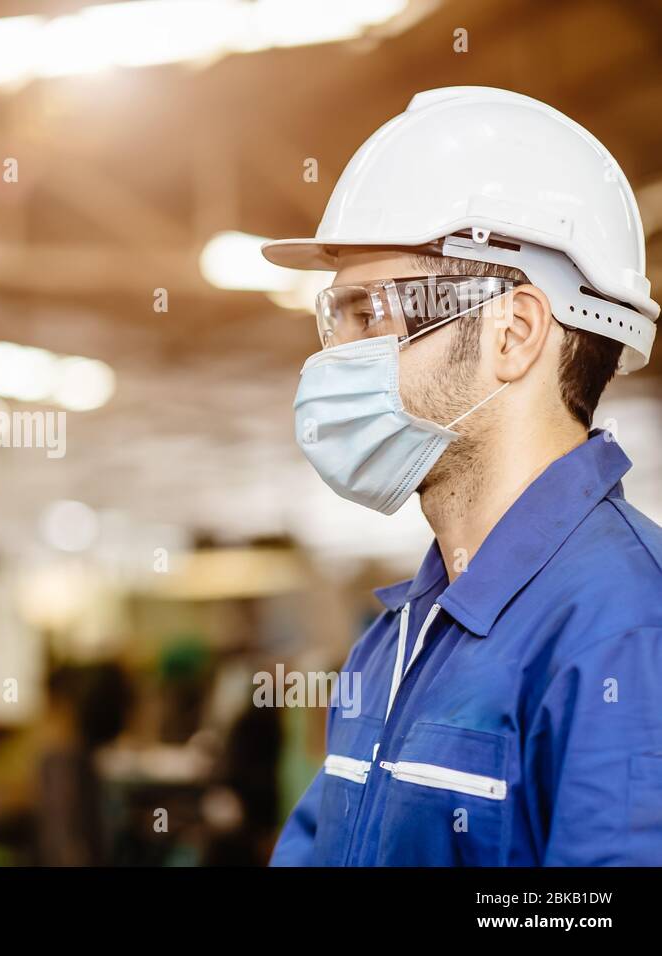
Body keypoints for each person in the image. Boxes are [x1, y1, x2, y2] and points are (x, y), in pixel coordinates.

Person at [266, 87, 662, 865]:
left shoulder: (626, 635)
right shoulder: (397, 638)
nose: (332, 359)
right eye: (332, 319)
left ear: (512, 334)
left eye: (370, 314)